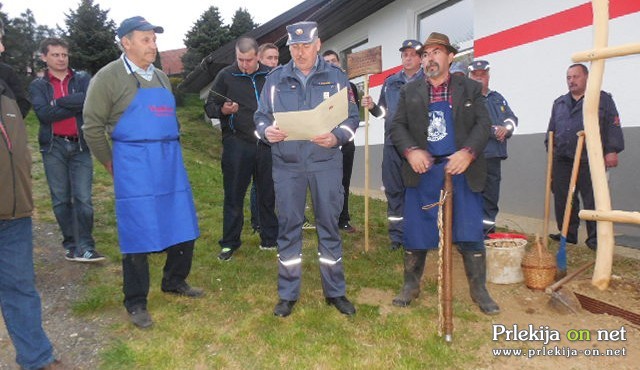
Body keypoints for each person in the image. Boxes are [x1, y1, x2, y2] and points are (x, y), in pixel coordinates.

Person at [83, 16, 202, 329]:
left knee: (182, 221)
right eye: (146, 40)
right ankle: (135, 301)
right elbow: (92, 127)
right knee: (137, 231)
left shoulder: (162, 77)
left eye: (154, 39)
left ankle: (174, 280)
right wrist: (110, 163)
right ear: (126, 42)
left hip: (169, 161)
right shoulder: (107, 78)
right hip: (133, 163)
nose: (154, 45)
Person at [255, 21, 360, 317]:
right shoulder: (275, 79)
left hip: (325, 163)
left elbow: (352, 118)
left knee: (329, 225)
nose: (299, 52)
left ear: (317, 44)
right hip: (287, 165)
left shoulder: (337, 77)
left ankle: (335, 292)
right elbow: (261, 116)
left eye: (305, 46)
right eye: (294, 47)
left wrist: (337, 137)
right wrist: (266, 132)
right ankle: (288, 294)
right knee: (289, 227)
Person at [390, 32, 499, 315]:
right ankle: (410, 285)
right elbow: (397, 127)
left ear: (451, 57)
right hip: (423, 170)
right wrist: (411, 151)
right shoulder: (409, 91)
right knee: (416, 230)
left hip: (460, 169)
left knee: (469, 229)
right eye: (425, 54)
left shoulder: (469, 88)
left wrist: (468, 153)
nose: (429, 59)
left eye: (436, 52)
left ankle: (479, 289)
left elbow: (483, 123)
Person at [0, 25, 62, 370]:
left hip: (14, 210)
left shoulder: (7, 82)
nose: (2, 44)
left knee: (21, 288)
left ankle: (38, 360)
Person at [29, 37, 104, 262]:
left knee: (83, 198)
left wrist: (58, 103)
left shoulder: (82, 79)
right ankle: (71, 244)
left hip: (80, 144)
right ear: (44, 57)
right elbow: (43, 115)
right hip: (54, 146)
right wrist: (73, 105)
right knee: (61, 199)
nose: (61, 59)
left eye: (64, 54)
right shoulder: (38, 85)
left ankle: (86, 246)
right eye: (55, 55)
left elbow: (89, 100)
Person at [204, 36, 278, 260]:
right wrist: (224, 111)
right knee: (234, 195)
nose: (244, 65)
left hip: (267, 143)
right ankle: (229, 243)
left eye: (248, 60)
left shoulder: (271, 75)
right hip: (237, 143)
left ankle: (270, 239)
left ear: (257, 56)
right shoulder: (226, 75)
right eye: (240, 60)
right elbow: (209, 106)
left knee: (268, 193)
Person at [546, 63, 624, 250]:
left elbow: (613, 124)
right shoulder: (559, 102)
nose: (571, 81)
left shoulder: (601, 99)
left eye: (576, 76)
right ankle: (567, 233)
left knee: (593, 199)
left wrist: (611, 150)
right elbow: (552, 129)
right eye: (568, 78)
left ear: (587, 77)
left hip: (591, 159)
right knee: (563, 198)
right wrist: (550, 147)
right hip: (563, 158)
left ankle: (595, 239)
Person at [361, 39, 424, 250]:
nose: (407, 57)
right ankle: (397, 238)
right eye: (404, 54)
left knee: (417, 191)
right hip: (392, 145)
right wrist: (371, 108)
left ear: (420, 58)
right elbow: (382, 113)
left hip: (417, 146)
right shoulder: (391, 82)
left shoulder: (428, 82)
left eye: (412, 54)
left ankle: (418, 234)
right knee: (394, 191)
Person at [468, 60, 518, 236]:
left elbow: (512, 118)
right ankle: (470, 234)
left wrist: (507, 128)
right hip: (475, 156)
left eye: (483, 75)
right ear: (470, 77)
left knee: (491, 198)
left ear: (488, 77)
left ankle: (488, 233)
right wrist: (492, 130)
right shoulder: (467, 99)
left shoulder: (498, 98)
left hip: (494, 156)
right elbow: (468, 124)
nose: (479, 79)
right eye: (476, 75)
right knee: (472, 196)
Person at [322, 49, 359, 233]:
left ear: (339, 63)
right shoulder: (318, 86)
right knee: (325, 184)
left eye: (333, 61)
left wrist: (343, 136)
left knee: (344, 182)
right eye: (326, 61)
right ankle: (327, 219)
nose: (330, 64)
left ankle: (343, 219)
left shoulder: (349, 87)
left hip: (345, 144)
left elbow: (354, 116)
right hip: (323, 144)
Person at [249, 42, 280, 233]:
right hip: (257, 139)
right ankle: (258, 221)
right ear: (259, 59)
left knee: (275, 183)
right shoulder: (257, 81)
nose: (274, 62)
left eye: (276, 58)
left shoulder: (279, 79)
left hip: (277, 138)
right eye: (269, 58)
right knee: (259, 184)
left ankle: (278, 218)